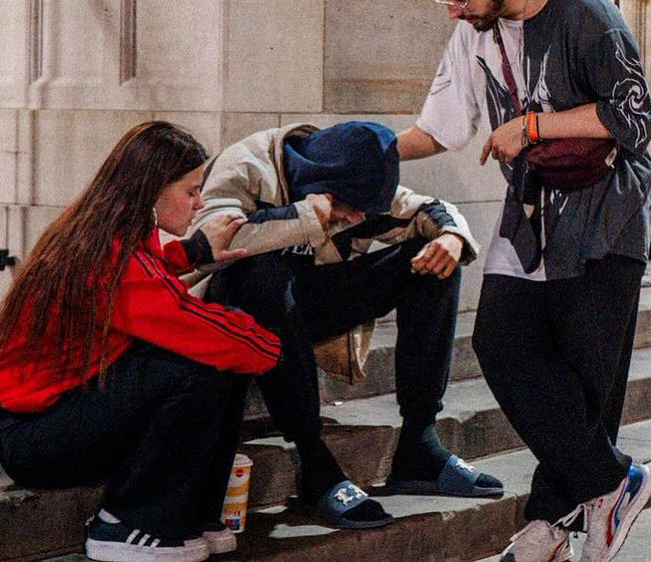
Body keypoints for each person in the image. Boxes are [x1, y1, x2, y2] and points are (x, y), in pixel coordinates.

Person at [394, 0, 651, 562]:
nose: (453, 11)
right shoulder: (473, 32)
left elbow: (636, 117)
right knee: (501, 345)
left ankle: (547, 531)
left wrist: (532, 124)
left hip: (606, 216)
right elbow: (441, 125)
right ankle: (611, 482)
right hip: (533, 212)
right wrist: (362, 151)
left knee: (583, 378)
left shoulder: (585, 13)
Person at [0, 121, 281, 562]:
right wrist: (277, 349)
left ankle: (195, 513)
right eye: (190, 191)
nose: (199, 204)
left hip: (53, 419)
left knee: (212, 362)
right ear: (151, 190)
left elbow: (150, 275)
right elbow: (177, 316)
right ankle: (129, 523)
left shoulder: (109, 237)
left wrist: (194, 252)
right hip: (33, 439)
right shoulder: (110, 258)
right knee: (200, 364)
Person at [186, 120, 503, 529]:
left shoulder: (355, 175)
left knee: (436, 260)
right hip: (239, 313)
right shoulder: (246, 166)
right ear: (325, 184)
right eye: (351, 209)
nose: (357, 219)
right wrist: (308, 216)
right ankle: (313, 460)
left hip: (310, 306)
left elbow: (426, 209)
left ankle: (418, 445)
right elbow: (209, 246)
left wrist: (452, 238)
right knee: (261, 271)